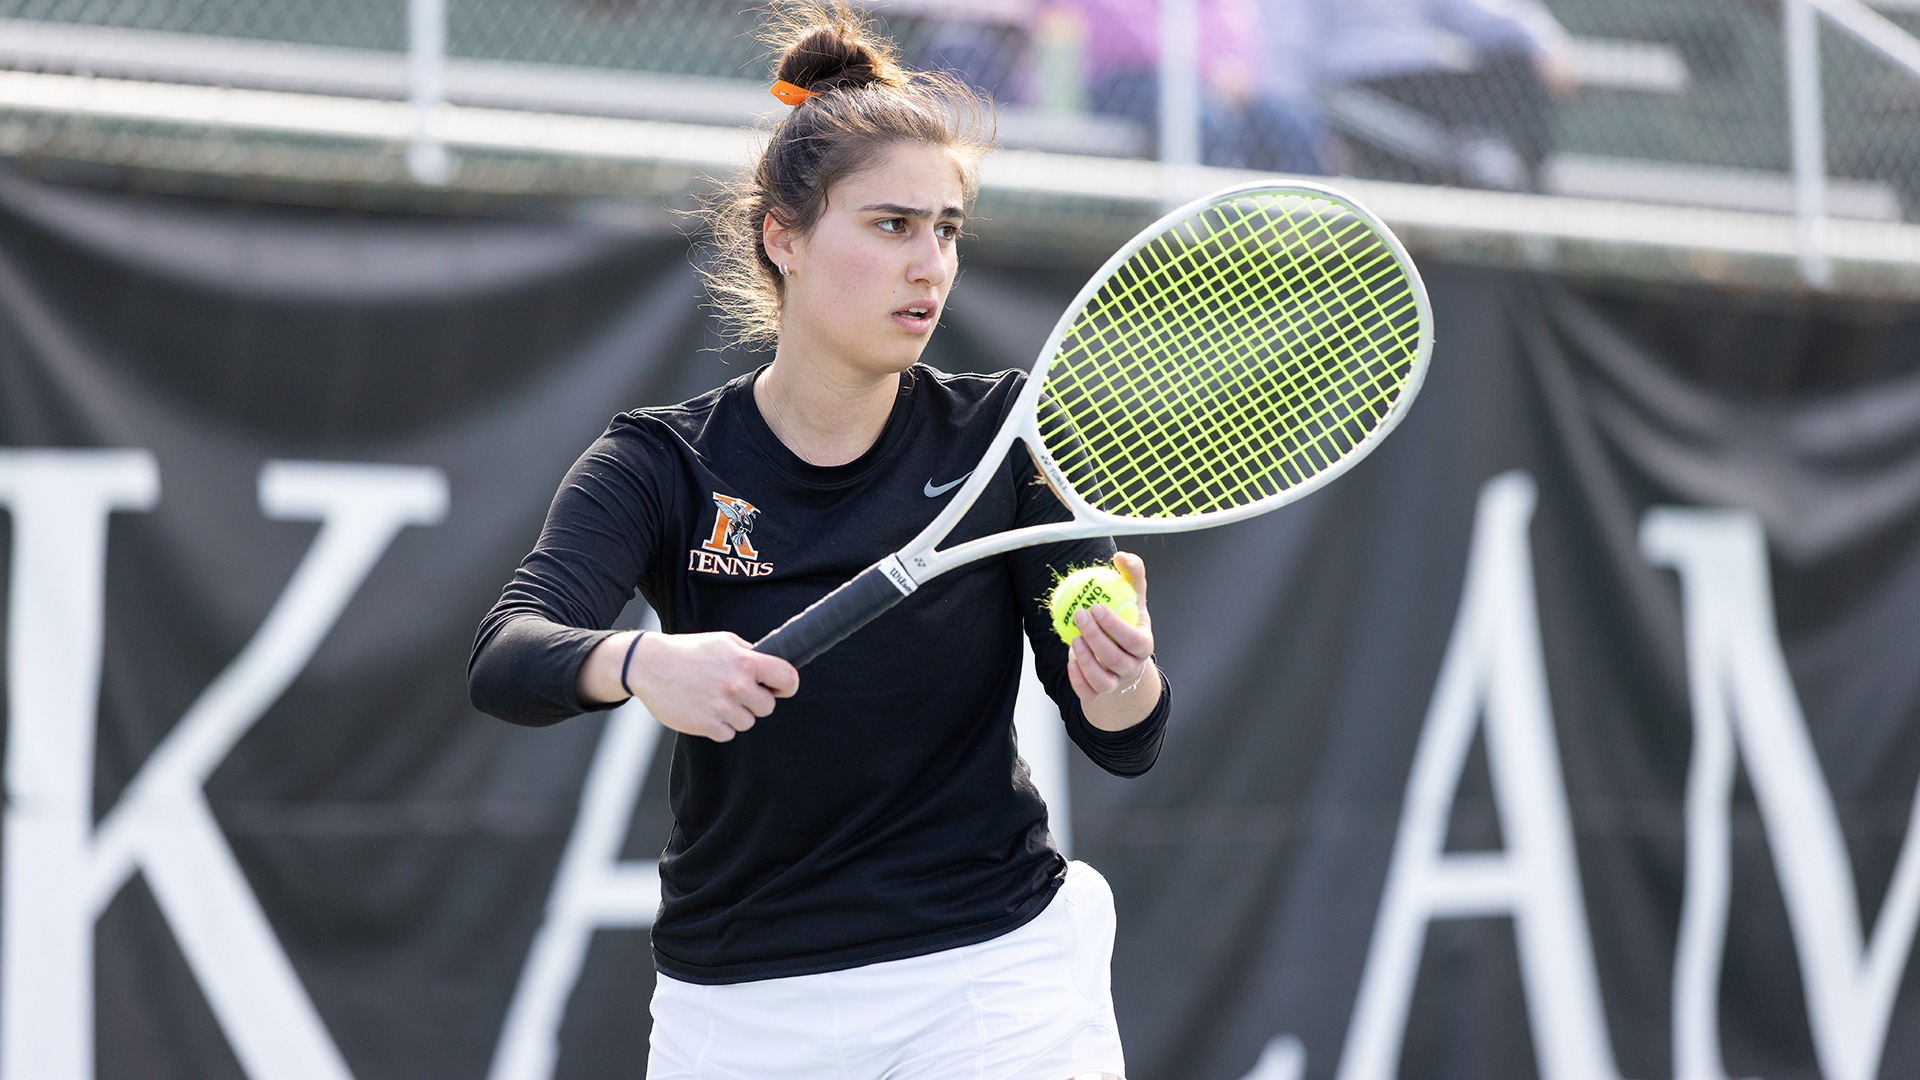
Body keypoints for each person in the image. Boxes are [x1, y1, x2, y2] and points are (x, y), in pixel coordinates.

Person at [468, 4, 1170, 1077]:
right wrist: (641, 662)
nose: (930, 264)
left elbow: (1122, 738)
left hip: (989, 978)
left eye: (947, 229)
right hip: (737, 1000)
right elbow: (508, 655)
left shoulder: (1008, 434)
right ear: (783, 239)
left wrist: (1122, 678)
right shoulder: (660, 462)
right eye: (892, 226)